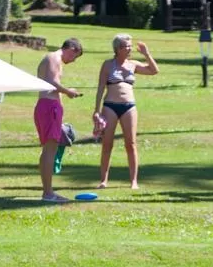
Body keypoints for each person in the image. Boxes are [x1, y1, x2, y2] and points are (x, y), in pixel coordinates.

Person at [93, 33, 159, 189]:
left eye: (130, 46)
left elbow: (154, 70)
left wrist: (147, 54)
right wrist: (96, 111)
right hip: (110, 106)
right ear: (117, 49)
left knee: (131, 143)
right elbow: (101, 87)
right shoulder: (108, 65)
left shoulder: (133, 64)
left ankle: (134, 181)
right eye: (126, 46)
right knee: (107, 144)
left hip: (129, 106)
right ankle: (103, 180)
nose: (129, 49)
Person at [35, 37, 85, 203]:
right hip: (49, 107)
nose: (73, 61)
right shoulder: (54, 58)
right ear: (71, 49)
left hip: (48, 107)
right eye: (74, 56)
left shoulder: (53, 59)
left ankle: (47, 191)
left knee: (48, 150)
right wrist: (68, 91)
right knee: (50, 150)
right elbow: (51, 82)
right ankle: (48, 193)